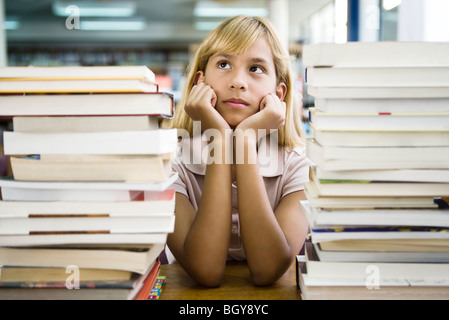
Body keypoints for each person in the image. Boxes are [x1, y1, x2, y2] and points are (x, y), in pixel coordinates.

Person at [162, 15, 310, 287]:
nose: (238, 81)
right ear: (199, 82)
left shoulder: (297, 165)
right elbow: (206, 270)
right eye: (224, 64)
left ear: (279, 94)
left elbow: (267, 270)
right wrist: (220, 138)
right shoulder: (169, 162)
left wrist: (244, 139)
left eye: (256, 68)